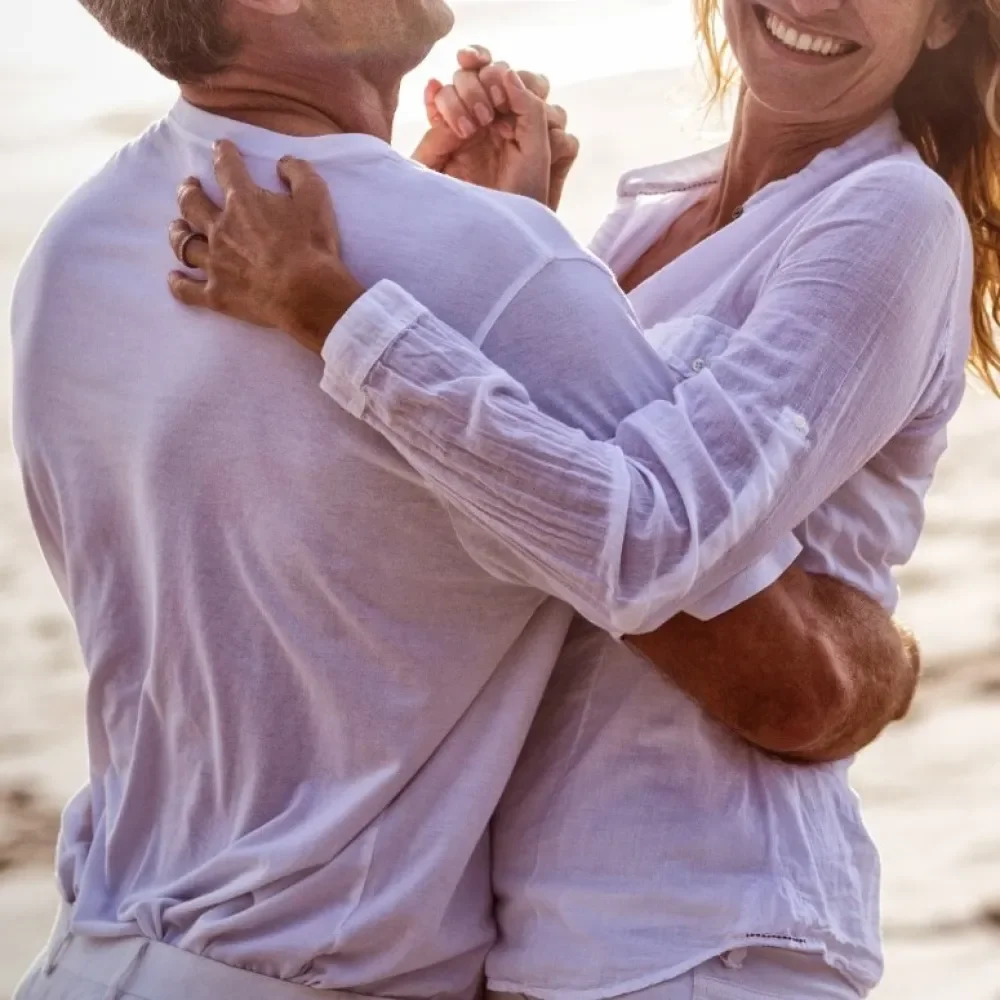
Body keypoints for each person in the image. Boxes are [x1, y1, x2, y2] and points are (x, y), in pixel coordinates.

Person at [11, 3, 919, 1000]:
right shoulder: (487, 269)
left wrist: (513, 235)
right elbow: (779, 682)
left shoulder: (72, 250)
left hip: (92, 954)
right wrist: (885, 658)